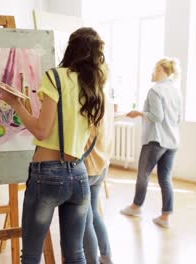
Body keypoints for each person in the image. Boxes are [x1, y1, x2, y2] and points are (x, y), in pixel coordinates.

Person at [0, 27, 107, 264]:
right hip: (79, 175)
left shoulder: (55, 77)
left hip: (47, 175)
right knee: (75, 253)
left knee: (31, 255)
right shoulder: (94, 87)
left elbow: (41, 130)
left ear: (71, 48)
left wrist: (16, 104)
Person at [120, 58, 182, 228]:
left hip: (156, 140)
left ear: (162, 70)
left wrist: (139, 113)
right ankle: (165, 217)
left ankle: (136, 206)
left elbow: (157, 117)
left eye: (154, 69)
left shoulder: (155, 91)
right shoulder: (176, 90)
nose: (152, 72)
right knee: (165, 178)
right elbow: (178, 118)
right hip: (172, 141)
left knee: (143, 175)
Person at [83, 97, 115, 264]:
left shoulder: (88, 99)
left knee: (86, 219)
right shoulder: (106, 99)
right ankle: (106, 256)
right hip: (101, 164)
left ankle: (92, 261)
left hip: (88, 167)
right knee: (94, 213)